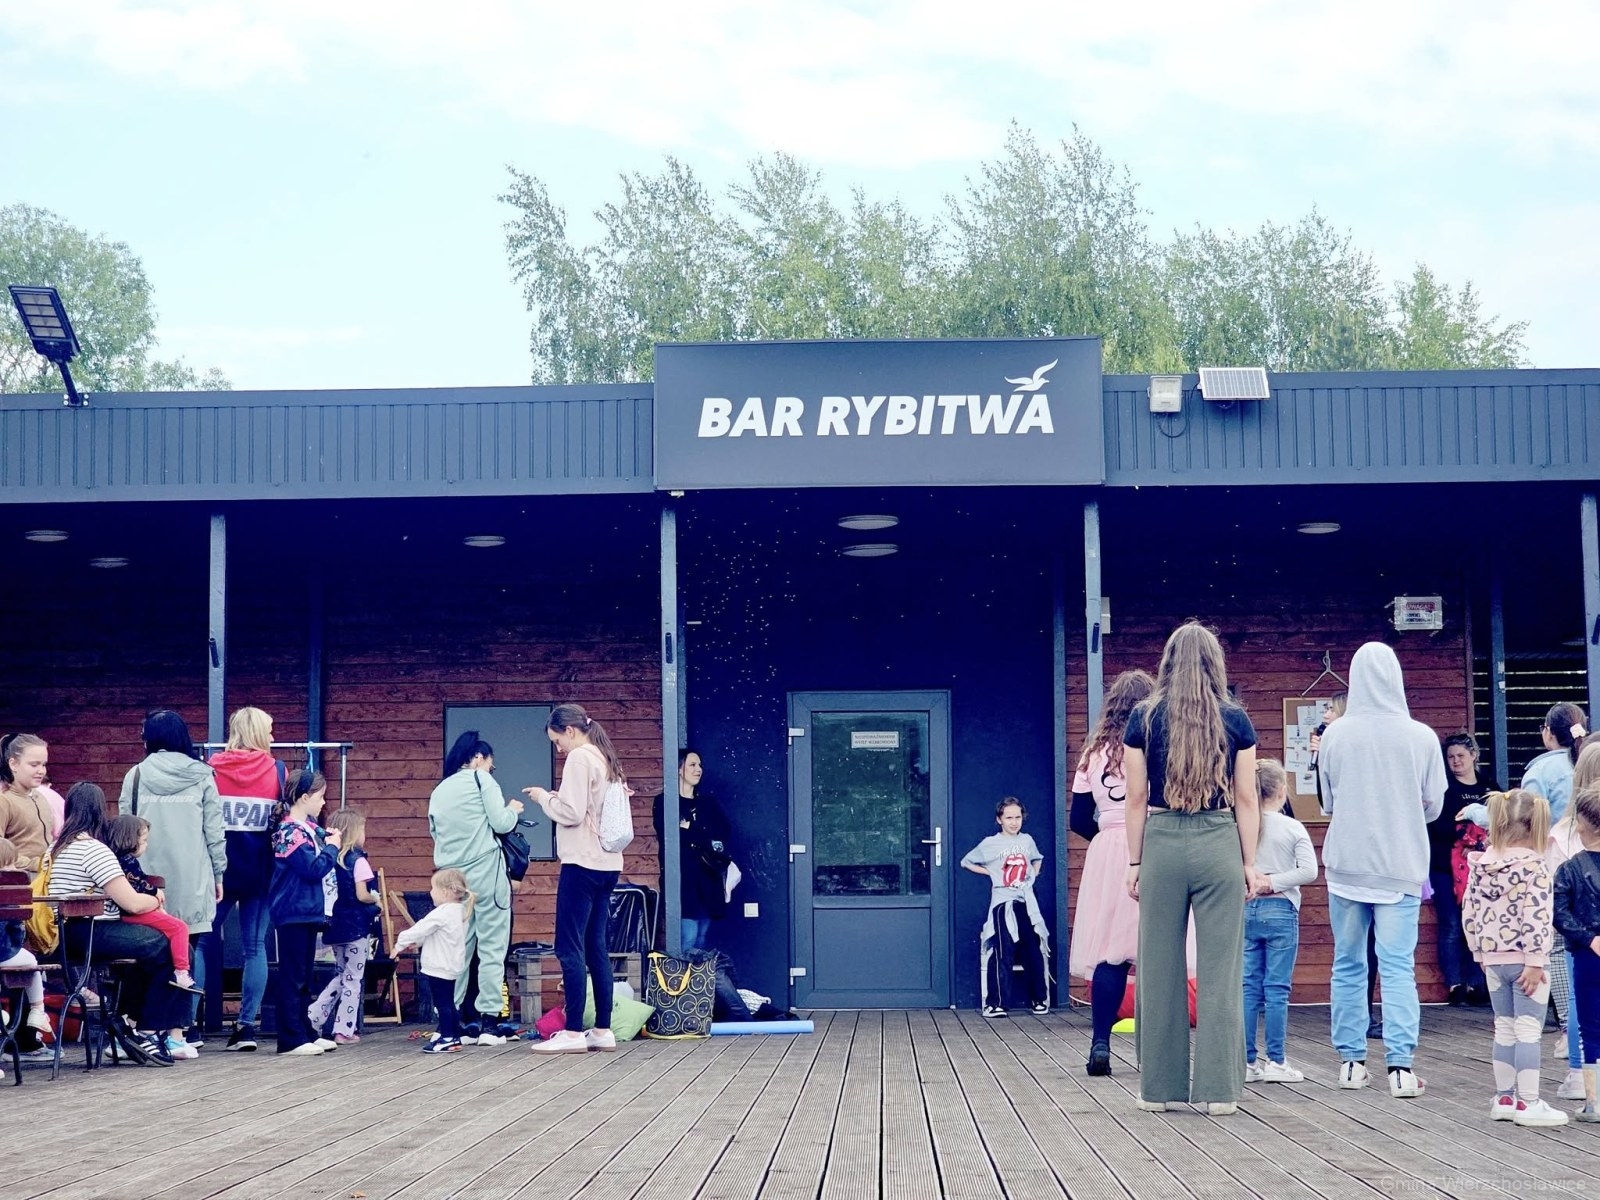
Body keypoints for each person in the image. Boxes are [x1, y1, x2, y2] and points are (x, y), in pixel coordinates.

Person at [1123, 622, 1264, 1116]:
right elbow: (1247, 798)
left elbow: (1136, 797)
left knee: (1158, 967)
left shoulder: (1143, 717)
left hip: (1162, 841)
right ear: (1215, 663)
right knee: (1222, 969)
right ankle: (1220, 1091)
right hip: (1219, 840)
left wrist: (1135, 861)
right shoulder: (1236, 719)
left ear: (1167, 662)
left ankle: (1158, 1090)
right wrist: (1249, 862)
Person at [1318, 642, 1445, 1098]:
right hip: (1400, 863)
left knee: (1348, 963)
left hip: (1347, 865)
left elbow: (1327, 803)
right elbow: (1434, 807)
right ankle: (1401, 1067)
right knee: (1396, 967)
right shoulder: (1422, 736)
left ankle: (1351, 1063)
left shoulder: (1335, 735)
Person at [48, 782, 190, 1065]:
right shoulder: (94, 850)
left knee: (151, 950)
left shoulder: (54, 848)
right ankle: (147, 1030)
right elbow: (132, 903)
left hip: (59, 935)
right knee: (164, 945)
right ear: (100, 811)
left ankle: (128, 1024)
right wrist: (155, 898)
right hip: (89, 931)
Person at [119, 709, 225, 1052]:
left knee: (145, 956)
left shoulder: (136, 775)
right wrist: (219, 873)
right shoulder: (203, 775)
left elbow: (123, 831)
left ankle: (136, 1029)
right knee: (186, 953)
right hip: (194, 877)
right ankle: (180, 1031)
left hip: (145, 884)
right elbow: (214, 831)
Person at [524, 702, 627, 1056]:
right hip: (608, 864)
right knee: (595, 946)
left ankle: (572, 1031)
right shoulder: (605, 756)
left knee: (569, 946)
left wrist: (544, 797)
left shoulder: (580, 758)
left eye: (557, 741)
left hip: (581, 862)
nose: (559, 749)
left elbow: (570, 813)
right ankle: (602, 1030)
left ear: (570, 730)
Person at [1068, 669, 1155, 1075]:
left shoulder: (1093, 754)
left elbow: (1078, 818)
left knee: (1110, 953)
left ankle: (1100, 1041)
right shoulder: (1156, 744)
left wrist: (1107, 837)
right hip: (1153, 844)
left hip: (1107, 851)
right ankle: (1155, 1048)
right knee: (1157, 949)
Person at [1460, 788, 1564, 1125]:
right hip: (1527, 961)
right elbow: (1537, 917)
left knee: (1503, 1028)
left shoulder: (1480, 865)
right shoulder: (1536, 868)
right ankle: (1529, 1102)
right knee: (1528, 1030)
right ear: (1536, 826)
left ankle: (1504, 1098)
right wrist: (1535, 961)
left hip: (1492, 960)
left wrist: (1479, 951)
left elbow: (1469, 913)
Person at [428, 730, 524, 1045]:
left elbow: (435, 832)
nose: (490, 770)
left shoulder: (440, 789)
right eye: (490, 765)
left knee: (459, 946)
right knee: (492, 947)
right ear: (479, 758)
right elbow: (501, 822)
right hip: (486, 871)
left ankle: (452, 1020)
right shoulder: (481, 780)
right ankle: (489, 1023)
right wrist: (513, 810)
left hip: (452, 876)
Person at [206, 705, 285, 1052]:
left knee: (201, 943)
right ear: (256, 733)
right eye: (269, 730)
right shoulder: (277, 771)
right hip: (260, 871)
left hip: (218, 872)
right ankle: (246, 1027)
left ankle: (187, 1028)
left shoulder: (210, 770)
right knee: (255, 948)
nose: (273, 736)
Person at [1243, 758, 1316, 1084]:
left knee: (1248, 987)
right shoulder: (1292, 827)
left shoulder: (1241, 825)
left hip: (1247, 908)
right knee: (1276, 989)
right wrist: (1274, 882)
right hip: (1281, 909)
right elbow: (1308, 871)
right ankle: (1276, 1060)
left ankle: (1246, 1061)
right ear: (1282, 791)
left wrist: (1255, 882)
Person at [268, 769, 339, 1056]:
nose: (324, 802)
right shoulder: (288, 831)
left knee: (304, 976)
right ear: (304, 797)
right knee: (293, 976)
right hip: (293, 910)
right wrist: (332, 849)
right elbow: (312, 869)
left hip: (307, 910)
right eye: (320, 796)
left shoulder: (307, 828)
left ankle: (305, 1031)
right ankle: (290, 1038)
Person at [963, 797, 1050, 1019]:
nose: (1014, 822)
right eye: (1009, 817)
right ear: (999, 819)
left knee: (1032, 948)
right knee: (1003, 949)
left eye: (1017, 817)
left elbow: (1037, 859)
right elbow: (967, 861)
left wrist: (1032, 875)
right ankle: (996, 1003)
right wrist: (992, 873)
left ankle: (1039, 999)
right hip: (1003, 902)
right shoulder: (990, 843)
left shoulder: (1027, 840)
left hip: (1026, 902)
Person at [1547, 742, 1600, 1101]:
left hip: (1582, 947)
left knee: (1584, 1011)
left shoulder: (1564, 835)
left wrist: (1586, 937)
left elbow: (1557, 908)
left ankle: (1583, 1079)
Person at [105, 814, 205, 1000]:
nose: (146, 845)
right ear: (130, 840)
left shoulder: (116, 859)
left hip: (123, 914)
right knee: (179, 927)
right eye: (144, 841)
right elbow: (137, 883)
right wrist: (154, 891)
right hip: (131, 913)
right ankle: (181, 971)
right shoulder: (127, 862)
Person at [1431, 733, 1494, 1007]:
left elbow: (1502, 821)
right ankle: (1455, 984)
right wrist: (1464, 839)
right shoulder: (1442, 788)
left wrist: (1479, 843)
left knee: (1476, 924)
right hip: (1444, 867)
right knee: (1452, 925)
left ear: (1473, 756)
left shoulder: (1489, 787)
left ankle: (1476, 983)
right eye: (1450, 757)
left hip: (1480, 868)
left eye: (1461, 756)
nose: (1456, 761)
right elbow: (1435, 825)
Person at [309, 809, 380, 1045]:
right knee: (353, 979)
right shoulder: (359, 861)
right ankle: (344, 1029)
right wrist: (376, 899)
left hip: (335, 926)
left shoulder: (329, 860)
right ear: (353, 833)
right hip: (357, 928)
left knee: (341, 975)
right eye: (362, 829)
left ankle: (313, 1016)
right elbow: (362, 895)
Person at [652, 749, 732, 952]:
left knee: (702, 938)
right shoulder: (664, 802)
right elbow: (667, 834)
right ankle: (685, 974)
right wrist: (702, 834)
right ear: (679, 769)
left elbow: (722, 833)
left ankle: (697, 974)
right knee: (688, 936)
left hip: (708, 879)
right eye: (692, 765)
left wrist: (689, 829)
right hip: (682, 881)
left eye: (700, 765)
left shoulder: (708, 804)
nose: (699, 769)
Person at [394, 868, 474, 1054]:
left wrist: (400, 943)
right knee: (449, 1002)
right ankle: (454, 1036)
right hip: (451, 965)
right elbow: (437, 934)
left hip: (439, 965)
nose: (431, 892)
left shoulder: (442, 912)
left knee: (442, 1004)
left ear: (445, 891)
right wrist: (419, 942)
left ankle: (447, 1037)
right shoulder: (459, 911)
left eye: (433, 888)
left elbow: (422, 927)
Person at [0, 836, 53, 1043]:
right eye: (10, 864)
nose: (14, 868)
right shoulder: (9, 891)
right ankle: (38, 1010)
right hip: (5, 952)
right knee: (31, 962)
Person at [1524, 703, 1588, 829]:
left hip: (1553, 840)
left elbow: (1527, 821)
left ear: (1549, 732)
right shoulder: (1591, 761)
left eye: (1543, 727)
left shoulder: (1539, 771)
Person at [0, 734, 53, 878]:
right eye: (34, 765)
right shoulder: (4, 800)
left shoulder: (41, 797)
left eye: (44, 765)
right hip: (19, 880)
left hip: (46, 876)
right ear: (13, 764)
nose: (41, 771)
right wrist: (33, 864)